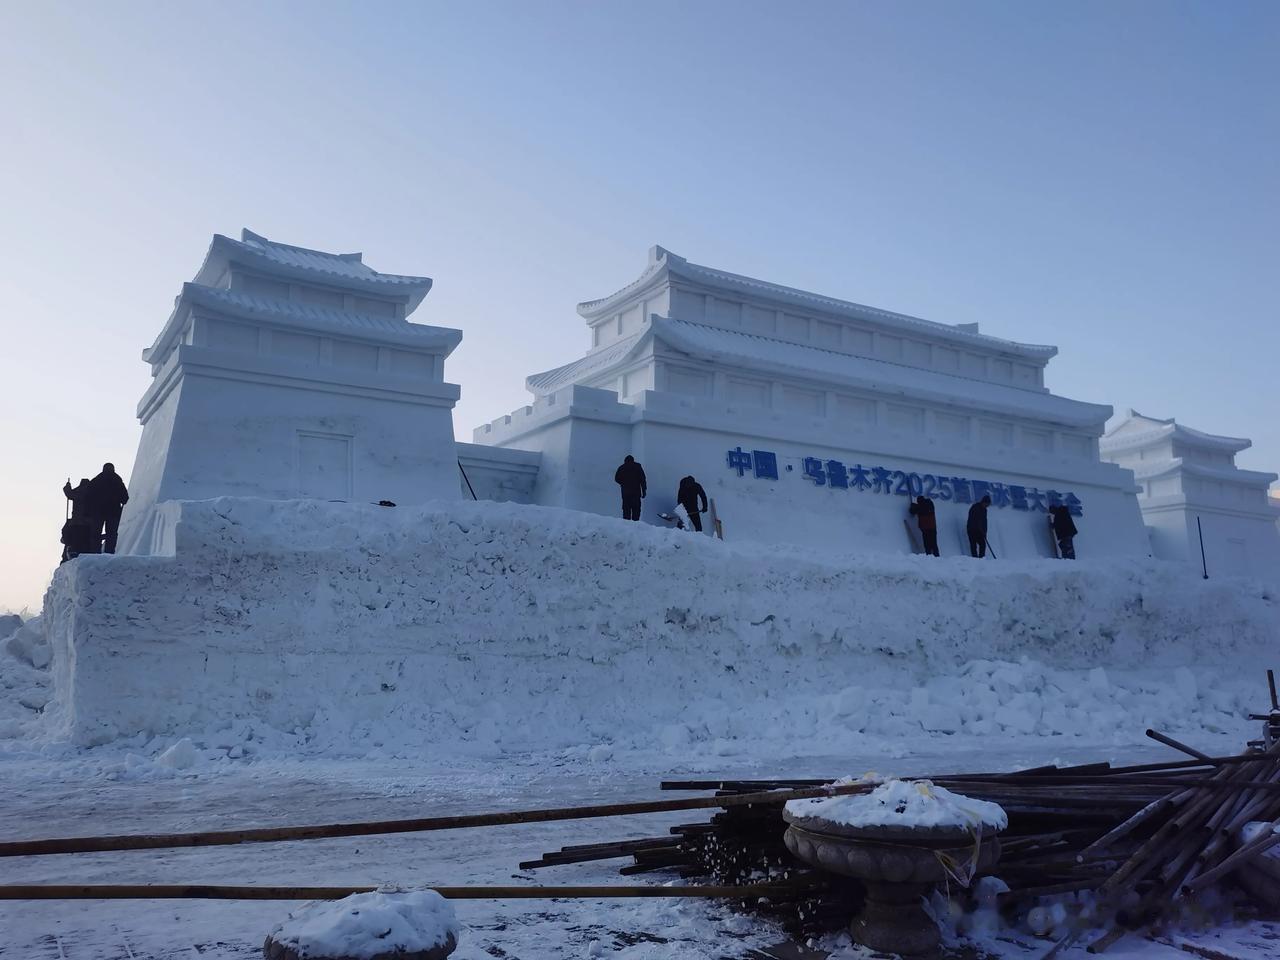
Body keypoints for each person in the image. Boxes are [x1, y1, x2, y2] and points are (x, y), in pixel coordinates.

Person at [88, 463, 129, 554]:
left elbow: (88, 495)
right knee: (111, 534)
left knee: (96, 533)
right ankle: (109, 553)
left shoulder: (96, 480)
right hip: (113, 513)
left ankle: (95, 552)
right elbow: (125, 498)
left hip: (98, 512)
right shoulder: (117, 480)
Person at [61, 478, 98, 561]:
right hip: (88, 523)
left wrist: (67, 487)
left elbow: (69, 494)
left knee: (74, 541)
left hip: (75, 522)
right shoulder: (92, 494)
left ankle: (69, 557)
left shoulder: (77, 491)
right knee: (85, 542)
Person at [614, 455, 647, 521]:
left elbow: (616, 478)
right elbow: (643, 479)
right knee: (636, 509)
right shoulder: (637, 467)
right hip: (636, 492)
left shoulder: (621, 467)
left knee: (626, 509)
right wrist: (644, 491)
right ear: (633, 460)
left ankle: (626, 525)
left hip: (625, 493)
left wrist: (623, 483)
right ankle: (635, 524)